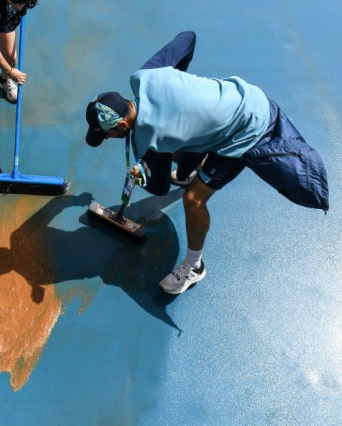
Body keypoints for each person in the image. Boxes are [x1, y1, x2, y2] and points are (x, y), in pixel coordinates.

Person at [84, 31, 328, 294]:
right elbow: (187, 38)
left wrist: (141, 174)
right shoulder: (146, 76)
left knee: (193, 199)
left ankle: (194, 267)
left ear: (122, 124)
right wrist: (179, 84)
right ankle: (188, 171)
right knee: (186, 135)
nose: (108, 138)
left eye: (107, 133)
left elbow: (159, 187)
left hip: (247, 130)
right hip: (246, 95)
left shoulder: (150, 139)